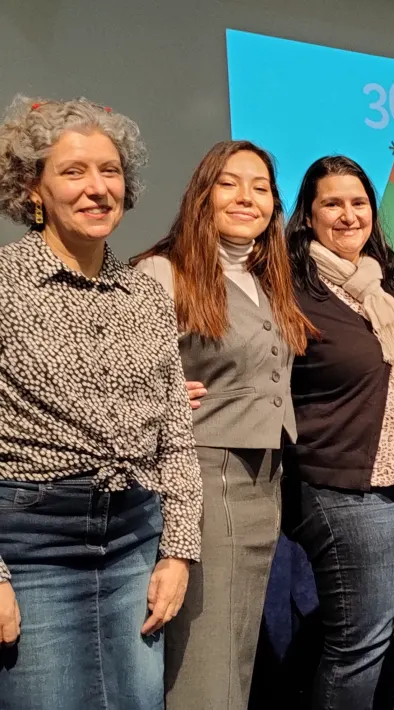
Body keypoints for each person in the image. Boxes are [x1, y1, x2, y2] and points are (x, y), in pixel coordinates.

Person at [0, 95, 201, 710]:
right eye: (74, 171)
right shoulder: (3, 285)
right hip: (31, 545)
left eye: (109, 171)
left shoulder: (144, 292)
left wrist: (179, 550)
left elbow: (174, 428)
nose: (97, 188)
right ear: (34, 188)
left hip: (134, 540)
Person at [132, 140, 313, 710]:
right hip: (205, 474)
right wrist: (153, 398)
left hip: (265, 477)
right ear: (202, 193)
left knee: (236, 647)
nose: (247, 198)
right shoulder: (164, 271)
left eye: (261, 188)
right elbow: (125, 377)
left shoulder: (264, 277)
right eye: (231, 183)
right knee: (206, 654)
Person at [281, 156, 394, 709]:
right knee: (359, 646)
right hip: (343, 485)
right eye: (332, 203)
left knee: (376, 635)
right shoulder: (290, 288)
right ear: (308, 214)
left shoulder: (383, 282)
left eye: (359, 202)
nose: (348, 215)